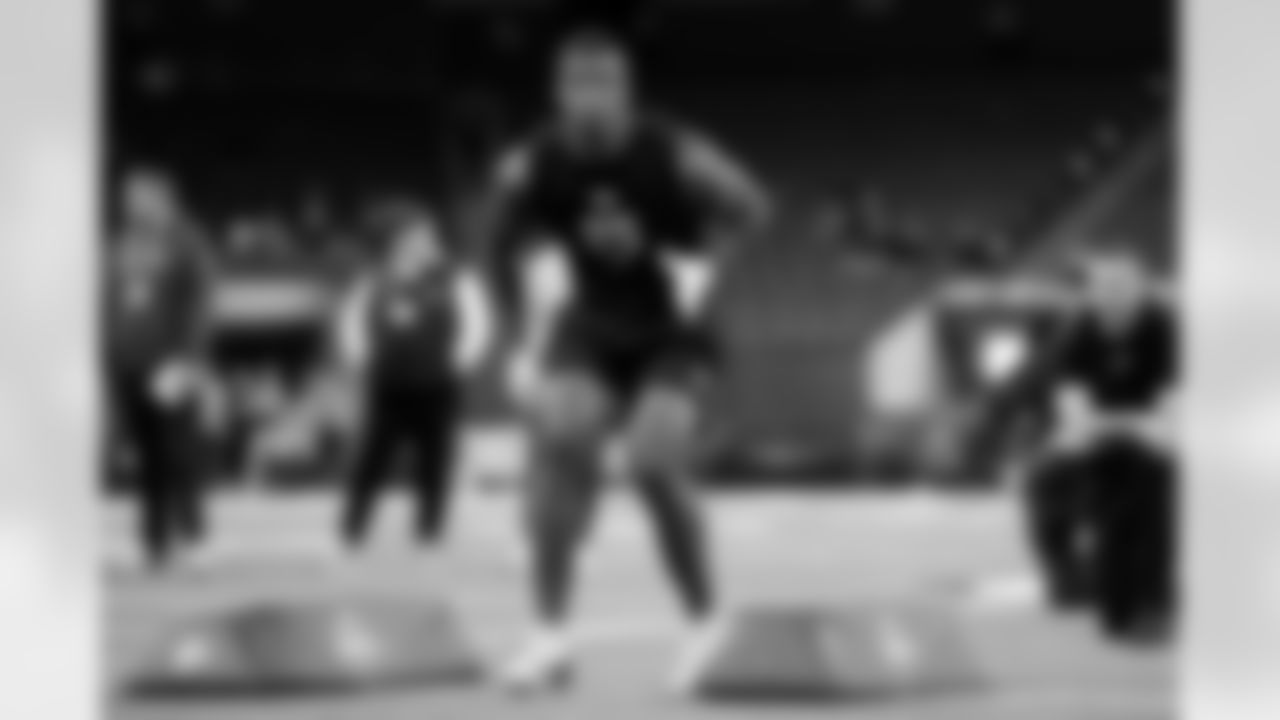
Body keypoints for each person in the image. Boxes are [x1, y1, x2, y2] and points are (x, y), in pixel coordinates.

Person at [483, 28, 771, 692]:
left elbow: (754, 207)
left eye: (602, 84)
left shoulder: (678, 154)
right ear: (556, 94)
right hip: (591, 324)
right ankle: (549, 639)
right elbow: (496, 242)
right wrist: (512, 335)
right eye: (575, 84)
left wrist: (708, 264)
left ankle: (704, 626)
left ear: (627, 93)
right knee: (559, 440)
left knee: (650, 461)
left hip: (676, 328)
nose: (588, 100)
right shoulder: (533, 161)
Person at [1029, 250, 1177, 640]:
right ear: (1092, 295)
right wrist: (1109, 428)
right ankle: (1070, 581)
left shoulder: (1165, 330)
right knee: (1044, 478)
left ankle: (1154, 597)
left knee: (1154, 481)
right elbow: (1073, 411)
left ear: (1141, 291)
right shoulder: (1076, 334)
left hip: (1163, 428)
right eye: (1103, 290)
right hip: (1104, 429)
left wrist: (1139, 429)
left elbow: (1176, 406)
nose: (1113, 299)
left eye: (1122, 289)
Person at [336, 205, 493, 548]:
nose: (420, 245)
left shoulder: (457, 280)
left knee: (435, 460)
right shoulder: (376, 279)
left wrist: (459, 362)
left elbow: (477, 323)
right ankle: (353, 527)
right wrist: (361, 359)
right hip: (388, 384)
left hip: (437, 383)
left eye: (426, 239)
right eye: (412, 239)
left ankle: (429, 530)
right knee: (371, 458)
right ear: (398, 243)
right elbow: (352, 321)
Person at [105, 167, 215, 571]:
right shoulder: (122, 243)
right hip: (126, 365)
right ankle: (154, 544)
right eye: (127, 199)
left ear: (162, 198)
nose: (130, 205)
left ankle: (194, 535)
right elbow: (110, 301)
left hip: (169, 365)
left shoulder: (186, 243)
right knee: (147, 458)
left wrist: (187, 359)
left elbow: (200, 303)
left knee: (177, 453)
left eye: (137, 198)